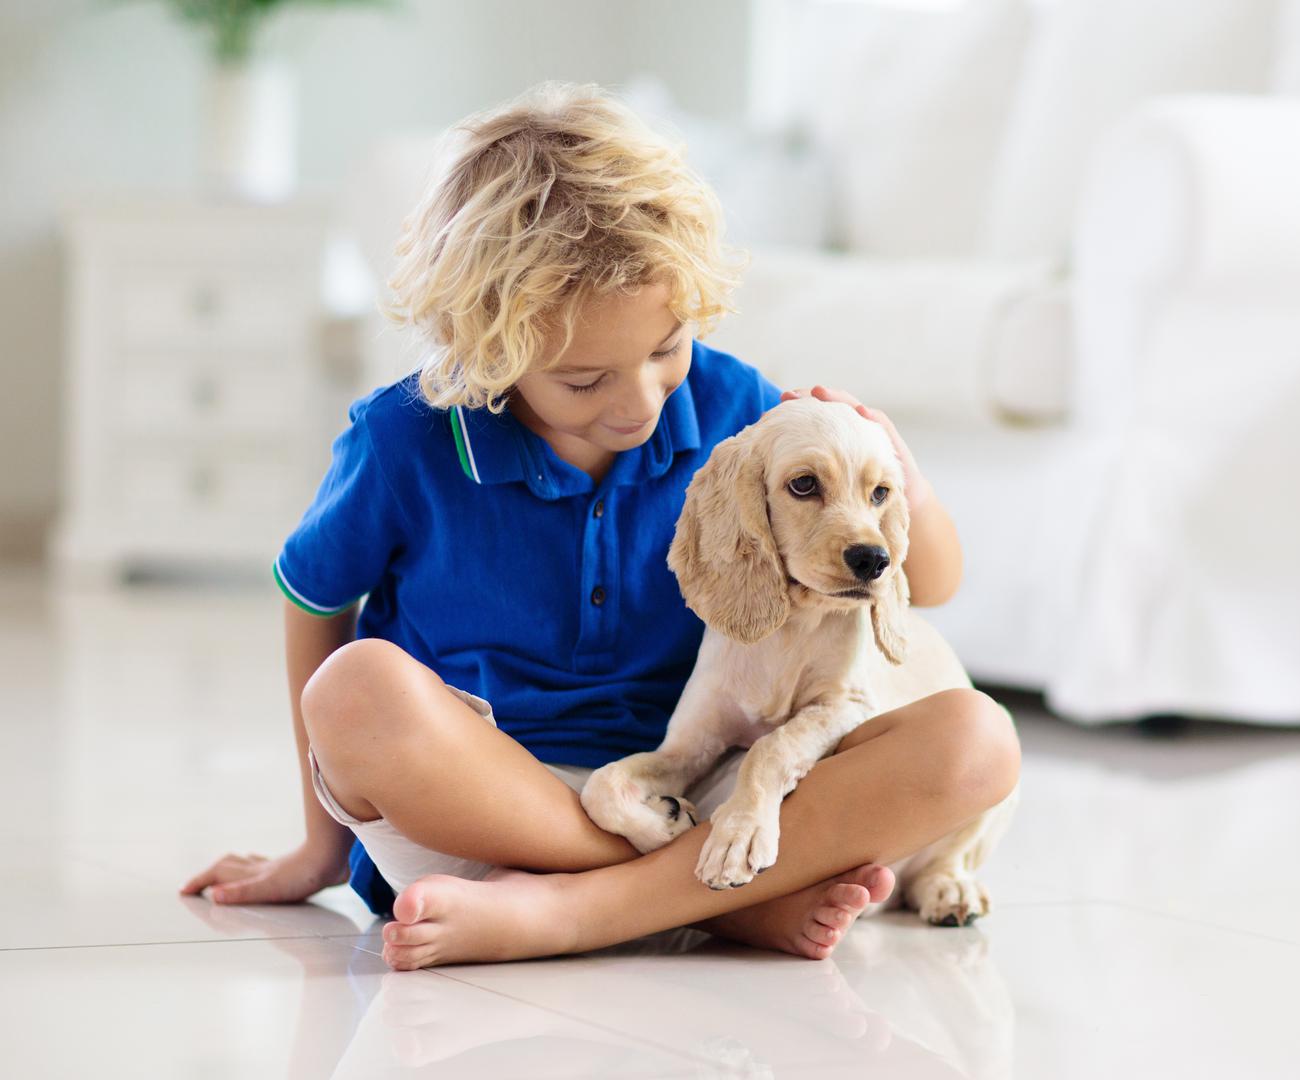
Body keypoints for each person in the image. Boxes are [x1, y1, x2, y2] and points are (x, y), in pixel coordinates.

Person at [180, 81, 1020, 970]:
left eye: (665, 350)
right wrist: (318, 846)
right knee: (353, 690)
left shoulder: (736, 409)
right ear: (487, 348)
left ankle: (595, 909)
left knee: (976, 742)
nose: (638, 403)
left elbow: (928, 585)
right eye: (585, 381)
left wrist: (903, 478)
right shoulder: (405, 437)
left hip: (690, 787)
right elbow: (311, 603)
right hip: (483, 807)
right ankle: (697, 903)